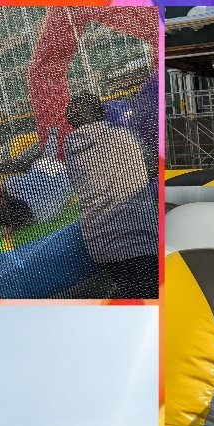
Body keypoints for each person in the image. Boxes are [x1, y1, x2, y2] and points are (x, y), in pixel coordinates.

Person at [64, 94, 158, 298]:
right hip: (143, 238)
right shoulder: (126, 136)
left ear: (72, 122)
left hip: (101, 245)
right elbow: (151, 168)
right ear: (101, 113)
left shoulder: (70, 148)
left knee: (134, 291)